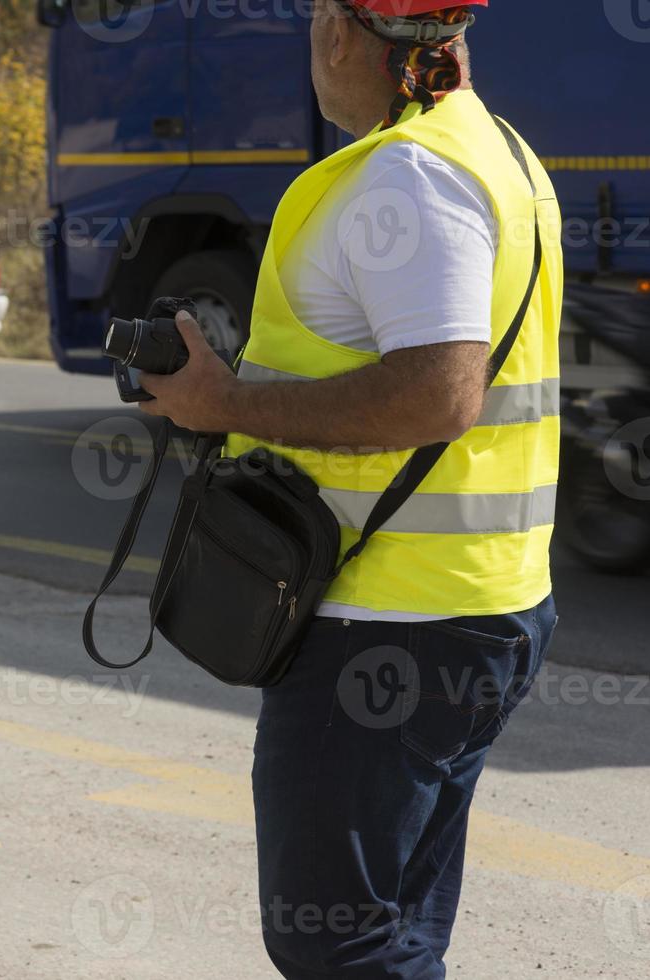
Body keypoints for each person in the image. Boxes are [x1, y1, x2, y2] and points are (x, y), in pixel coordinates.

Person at [137, 2, 562, 977]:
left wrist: (220, 401)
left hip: (390, 624)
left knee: (334, 941)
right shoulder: (494, 149)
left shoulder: (407, 176)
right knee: (393, 928)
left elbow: (438, 392)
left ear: (338, 35)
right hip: (466, 605)